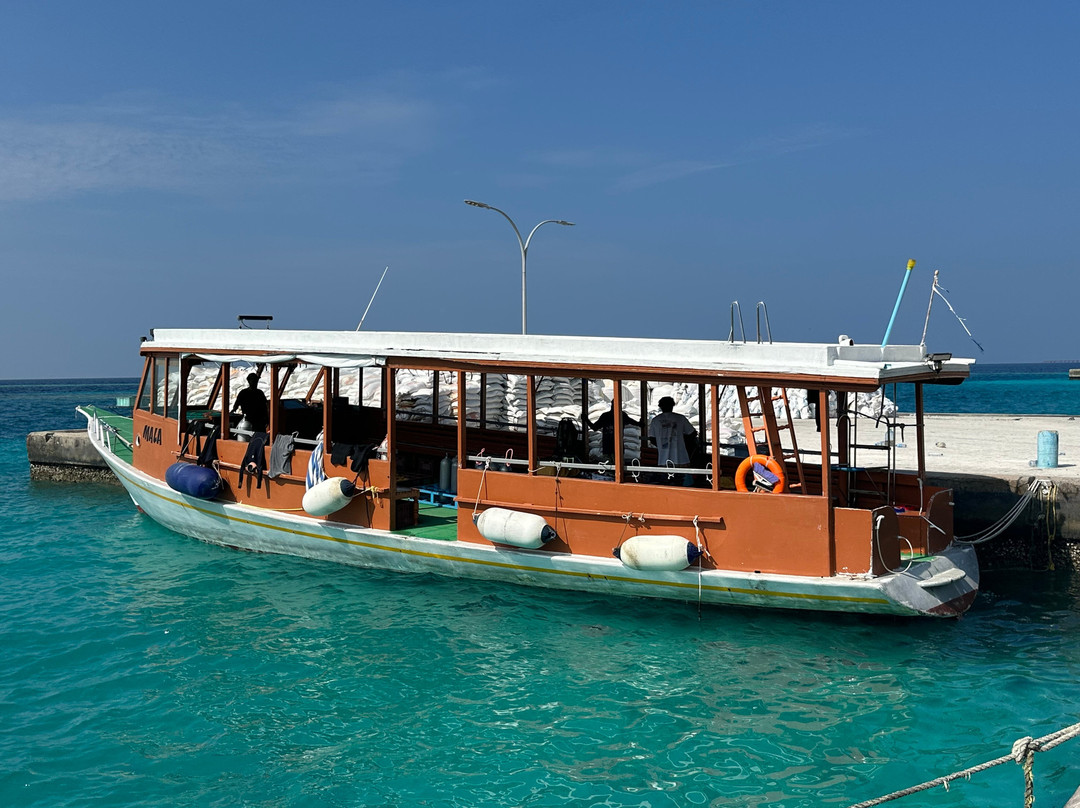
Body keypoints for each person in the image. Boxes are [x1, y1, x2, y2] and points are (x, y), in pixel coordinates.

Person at [648, 396, 696, 485]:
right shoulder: (680, 418)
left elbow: (652, 438)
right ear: (672, 406)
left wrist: (661, 445)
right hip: (681, 458)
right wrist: (683, 442)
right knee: (682, 484)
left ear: (660, 406)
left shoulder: (655, 420)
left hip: (663, 460)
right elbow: (692, 433)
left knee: (666, 484)